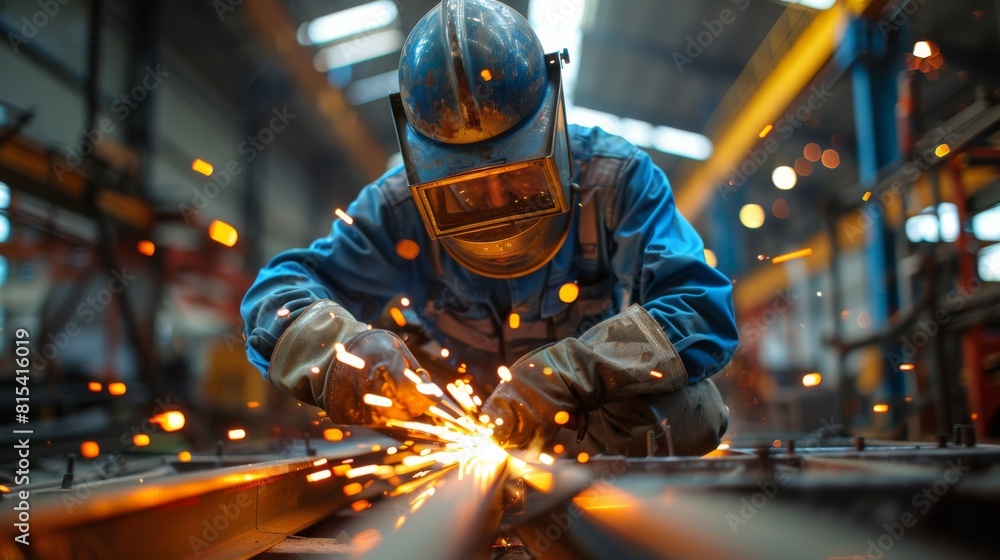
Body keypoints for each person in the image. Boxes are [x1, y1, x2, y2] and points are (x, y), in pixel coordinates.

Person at [240, 0, 739, 456]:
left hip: (575, 423)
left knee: (695, 415)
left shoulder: (616, 181)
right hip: (448, 426)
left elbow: (700, 305)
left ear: (554, 130)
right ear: (423, 166)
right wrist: (344, 354)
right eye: (467, 190)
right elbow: (278, 297)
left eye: (521, 179)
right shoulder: (397, 204)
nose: (499, 207)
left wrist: (578, 369)